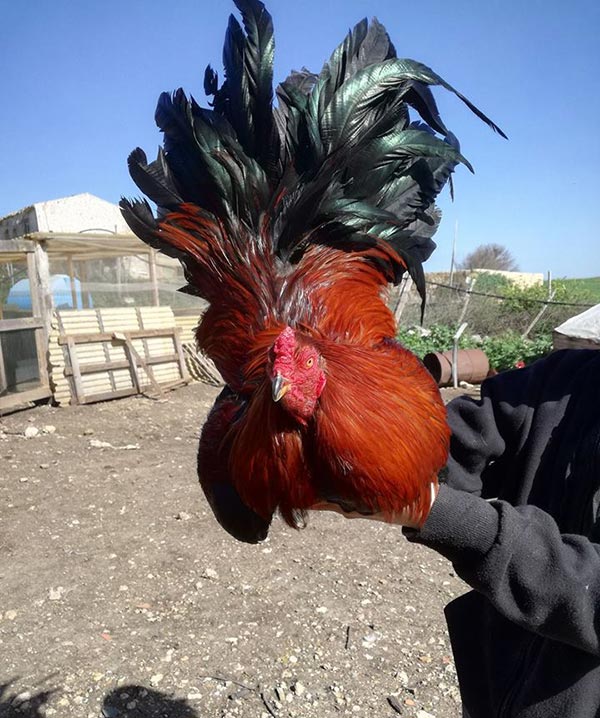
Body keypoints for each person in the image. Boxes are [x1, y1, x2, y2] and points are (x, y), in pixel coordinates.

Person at [317, 348, 600, 718]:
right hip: (496, 680)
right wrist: (364, 439)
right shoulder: (569, 377)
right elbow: (461, 434)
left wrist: (435, 510)